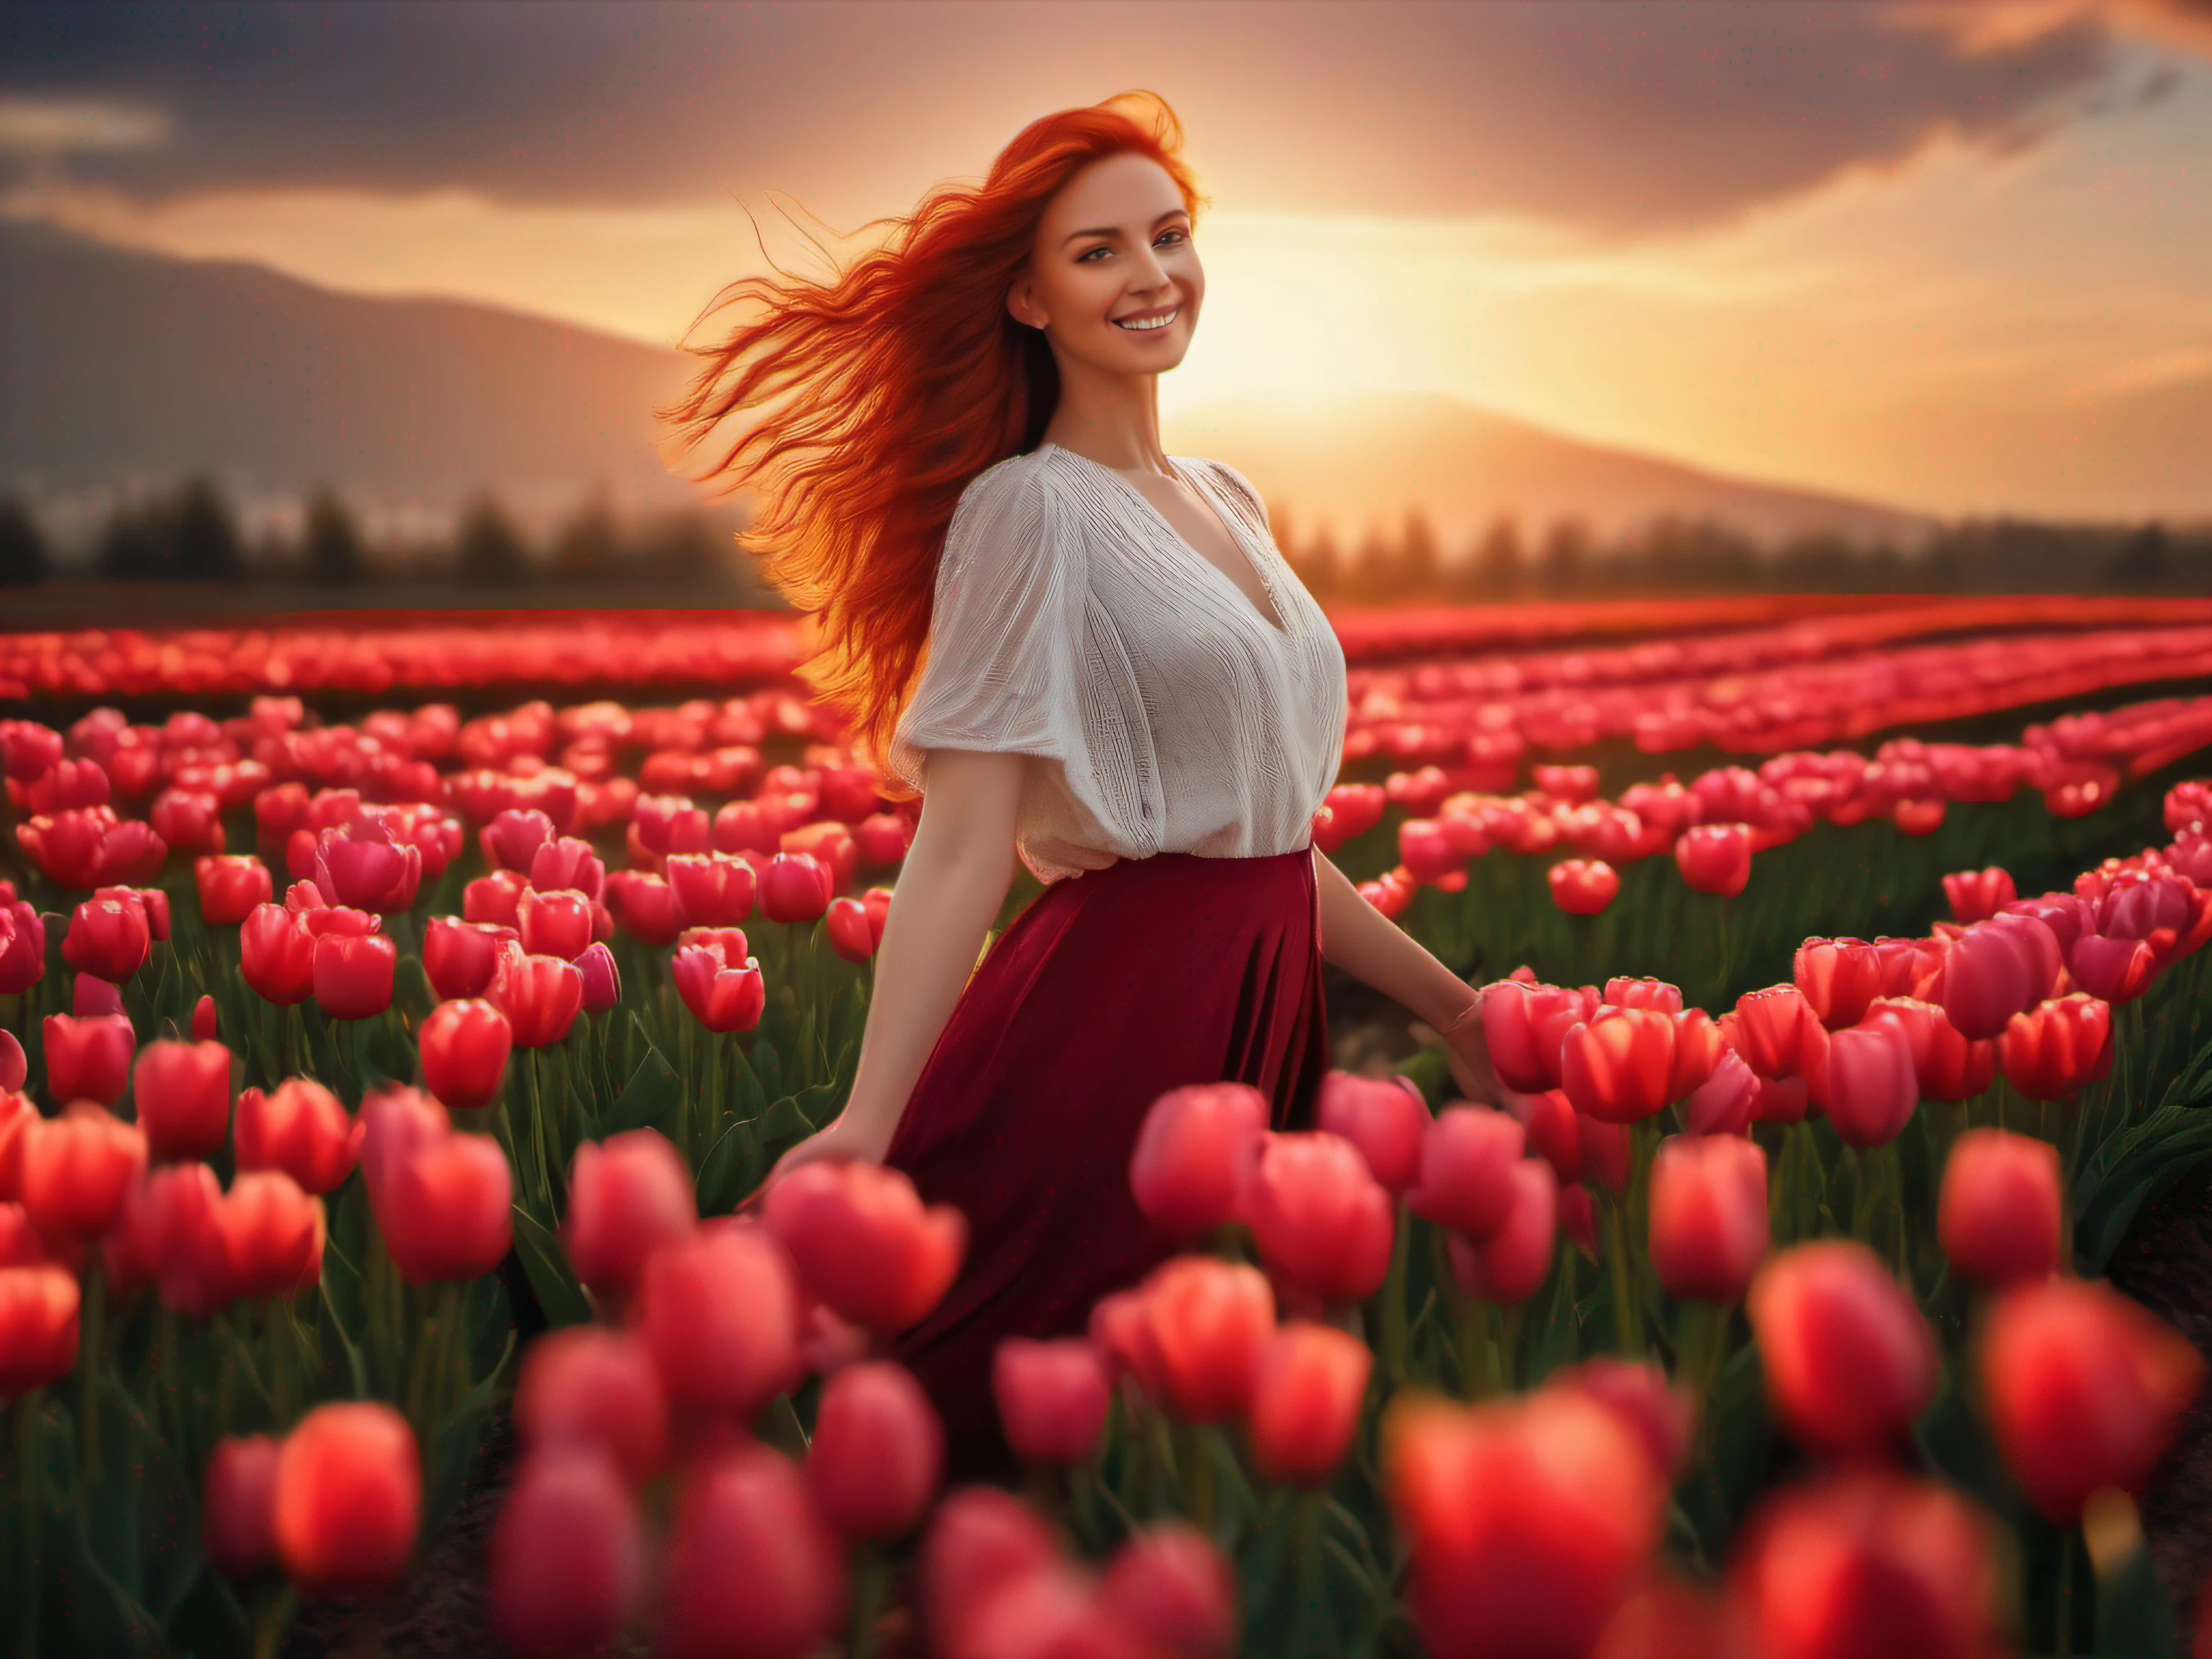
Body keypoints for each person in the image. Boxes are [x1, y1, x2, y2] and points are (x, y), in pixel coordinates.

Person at [662, 90, 1501, 1485]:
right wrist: (872, 1119)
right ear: (1029, 297)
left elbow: (1266, 845)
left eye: (1168, 236)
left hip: (1255, 999)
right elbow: (961, 842)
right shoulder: (1025, 510)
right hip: (1115, 1017)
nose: (1152, 275)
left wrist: (1455, 1008)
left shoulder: (1230, 499)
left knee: (1183, 1436)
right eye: (1099, 250)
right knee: (1031, 1420)